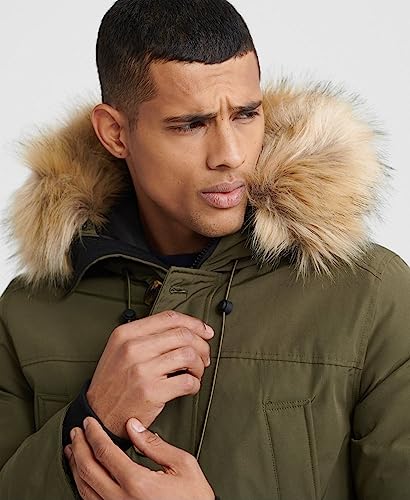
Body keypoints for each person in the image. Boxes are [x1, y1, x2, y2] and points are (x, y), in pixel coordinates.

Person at [1, 0, 409, 498]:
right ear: (115, 133)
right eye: (190, 124)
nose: (231, 155)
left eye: (246, 114)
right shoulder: (28, 312)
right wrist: (91, 417)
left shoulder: (369, 295)